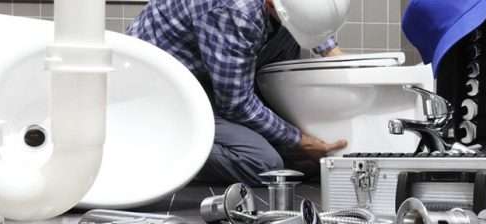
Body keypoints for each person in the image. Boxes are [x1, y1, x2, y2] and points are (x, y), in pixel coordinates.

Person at [128, 0, 349, 185]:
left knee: (294, 157)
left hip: (207, 70)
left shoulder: (280, 6)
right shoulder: (235, 11)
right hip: (159, 90)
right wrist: (300, 141)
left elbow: (306, 14)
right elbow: (235, 104)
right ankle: (146, 140)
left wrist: (337, 57)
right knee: (265, 164)